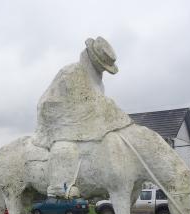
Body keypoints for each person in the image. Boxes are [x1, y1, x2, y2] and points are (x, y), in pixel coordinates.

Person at [32, 36, 133, 198]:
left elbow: (97, 107)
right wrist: (76, 114)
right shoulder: (70, 73)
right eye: (101, 65)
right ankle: (58, 185)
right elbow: (49, 101)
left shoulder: (99, 84)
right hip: (63, 122)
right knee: (65, 148)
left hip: (89, 128)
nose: (102, 70)